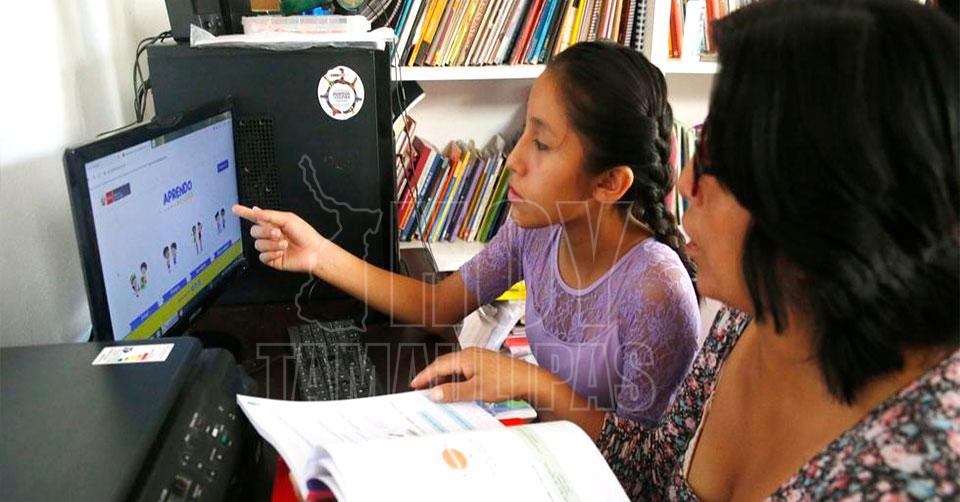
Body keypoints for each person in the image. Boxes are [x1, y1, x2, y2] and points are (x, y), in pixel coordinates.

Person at [413, 0, 960, 498]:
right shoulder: (749, 320)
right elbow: (655, 468)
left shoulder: (914, 469)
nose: (684, 182)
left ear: (823, 200)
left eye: (723, 162)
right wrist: (534, 384)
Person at [234, 41, 700, 422]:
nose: (513, 159)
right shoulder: (537, 232)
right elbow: (439, 307)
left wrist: (529, 382)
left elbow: (640, 467)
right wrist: (318, 253)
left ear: (610, 183)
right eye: (524, 132)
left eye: (541, 143)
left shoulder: (657, 290)